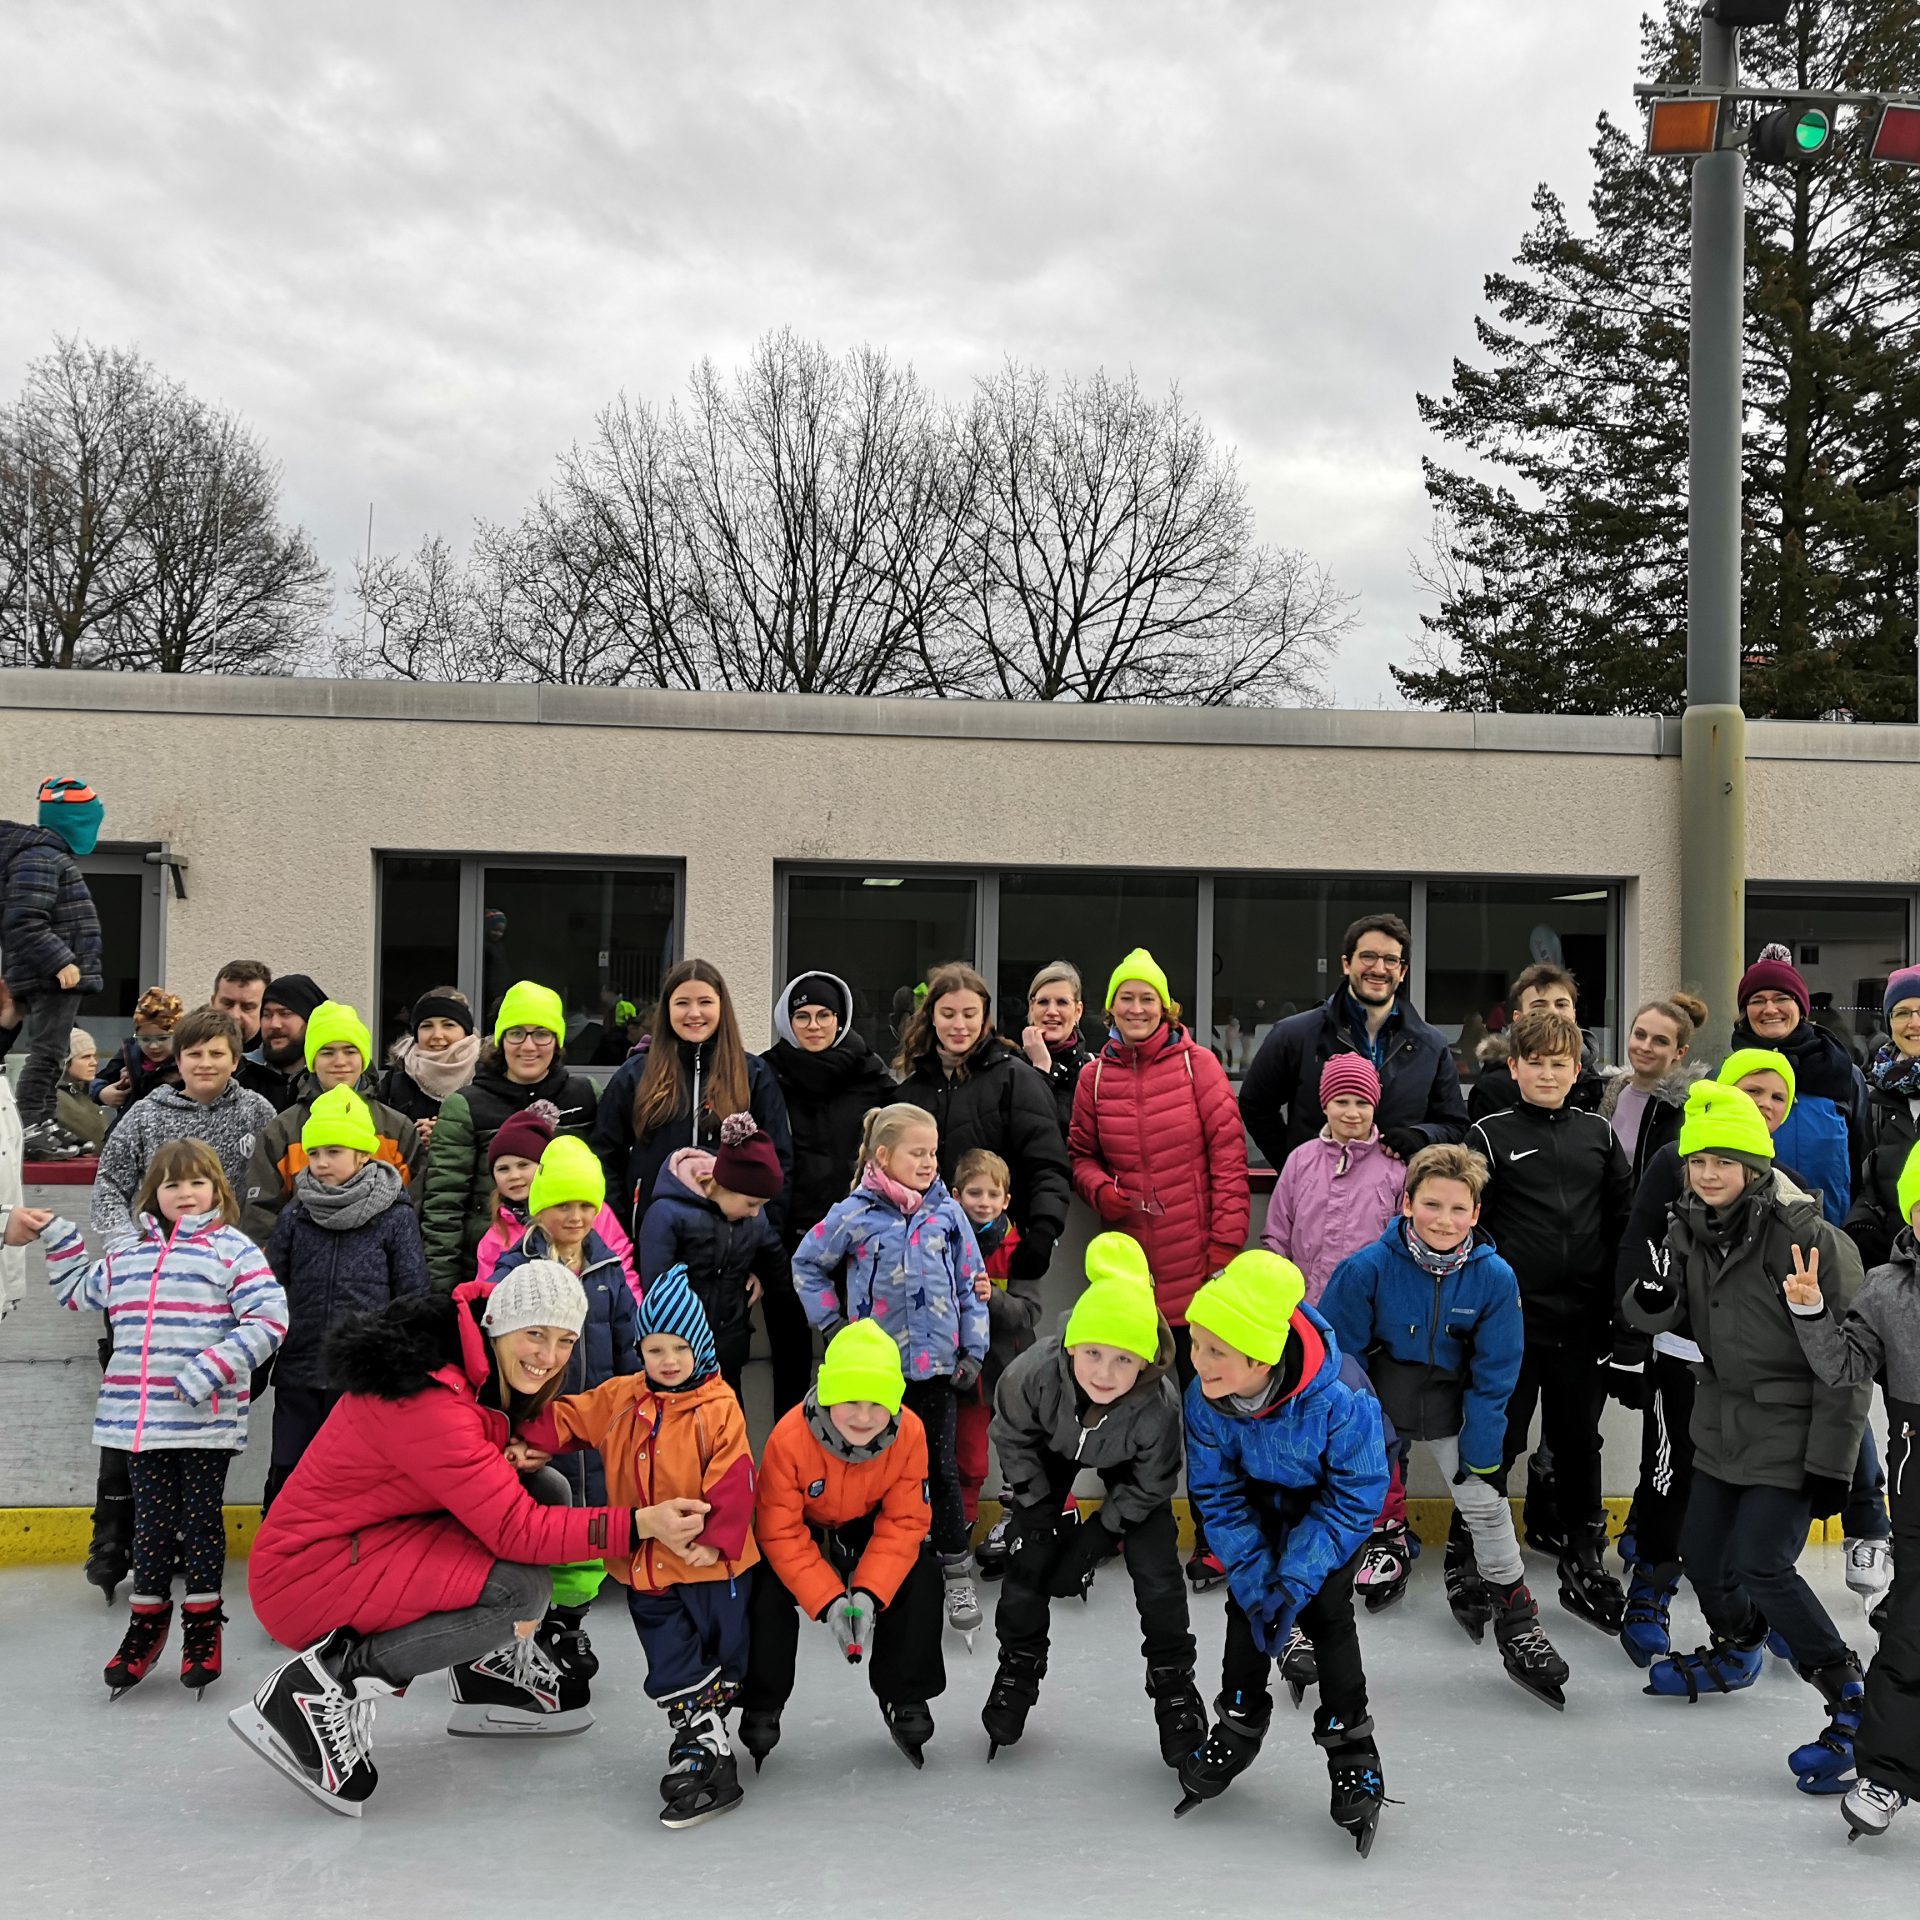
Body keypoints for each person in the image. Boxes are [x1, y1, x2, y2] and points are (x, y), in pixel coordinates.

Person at [233, 1264, 712, 1815]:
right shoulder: (428, 1400)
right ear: (499, 1326)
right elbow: (516, 1530)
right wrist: (639, 1523)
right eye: (535, 1333)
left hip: (370, 1538)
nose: (549, 1355)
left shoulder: (467, 1365)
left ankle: (487, 1674)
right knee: (519, 1592)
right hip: (307, 1575)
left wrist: (511, 1444)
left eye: (564, 1340)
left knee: (546, 1486)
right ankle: (322, 1684)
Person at [1624, 1082, 1872, 1799]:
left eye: (1724, 1161)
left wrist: (1836, 1465)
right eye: (1698, 1160)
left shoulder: (1810, 1241)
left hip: (1793, 1432)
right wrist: (1648, 1307)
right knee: (1701, 1556)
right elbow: (1679, 1313)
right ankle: (1738, 1649)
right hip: (1723, 1426)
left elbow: (1849, 1369)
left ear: (1756, 1165)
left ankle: (1849, 1697)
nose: (1707, 1174)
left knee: (1763, 1563)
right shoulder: (1690, 1227)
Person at [34, 1139, 286, 1698]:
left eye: (197, 1183)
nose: (186, 1193)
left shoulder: (233, 1251)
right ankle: (146, 1626)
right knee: (149, 1528)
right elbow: (78, 1292)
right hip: (138, 1424)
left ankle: (202, 1627)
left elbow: (269, 1318)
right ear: (155, 1196)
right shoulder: (128, 1255)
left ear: (217, 1190)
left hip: (202, 1420)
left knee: (199, 1524)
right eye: (173, 1185)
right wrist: (57, 1235)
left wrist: (209, 1371)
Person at [1320, 1145, 1570, 1706]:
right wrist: (1356, 1440)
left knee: (1485, 1503)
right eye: (1431, 1205)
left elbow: (1496, 1372)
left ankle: (1517, 1617)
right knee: (1332, 1506)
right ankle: (1306, 1617)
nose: (1444, 1220)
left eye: (1459, 1209)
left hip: (1453, 1409)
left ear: (1476, 1214)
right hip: (1376, 1404)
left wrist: (1483, 1456)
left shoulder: (1495, 1278)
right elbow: (1341, 1364)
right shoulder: (1365, 1269)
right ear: (1407, 1203)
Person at [515, 1263, 760, 1829]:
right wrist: (523, 1438)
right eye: (653, 1349)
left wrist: (718, 1543)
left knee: (726, 1655)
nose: (667, 1361)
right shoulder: (623, 1397)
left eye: (678, 1347)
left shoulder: (718, 1407)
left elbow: (736, 1477)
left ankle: (713, 1723)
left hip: (711, 1568)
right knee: (670, 1657)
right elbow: (568, 1418)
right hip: (645, 1568)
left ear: (698, 1346)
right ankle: (698, 1743)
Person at [1172, 1251, 1392, 1855]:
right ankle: (1239, 1719)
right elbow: (1215, 1492)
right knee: (1246, 1605)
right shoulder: (1205, 1397)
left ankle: (1352, 1744)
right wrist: (1252, 1569)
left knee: (1324, 1610)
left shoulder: (1341, 1397)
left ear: (1262, 1356)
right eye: (1196, 1343)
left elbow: (1357, 1495)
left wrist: (1295, 1577)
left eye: (1216, 1351)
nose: (1199, 1362)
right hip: (1256, 1508)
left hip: (1330, 1512)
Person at [1613, 1048, 1825, 1666]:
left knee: (1739, 1483)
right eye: (1749, 1092)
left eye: (1775, 1097)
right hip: (1682, 1356)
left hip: (1751, 1373)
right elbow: (1640, 1246)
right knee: (1671, 1470)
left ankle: (1756, 1600)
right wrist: (1633, 1334)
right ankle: (1652, 1580)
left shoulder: (1776, 1181)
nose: (1763, 1105)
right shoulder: (1677, 1162)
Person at [981, 1233, 1204, 1767]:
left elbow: (1153, 1480)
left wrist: (1097, 1537)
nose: (1105, 1373)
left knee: (1157, 1573)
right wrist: (1036, 1511)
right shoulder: (1032, 1375)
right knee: (1025, 1561)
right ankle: (1019, 1662)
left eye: (1124, 1361)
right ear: (1072, 1347)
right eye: (1094, 1354)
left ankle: (1174, 1682)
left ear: (1145, 1365)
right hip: (1050, 1447)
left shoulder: (1158, 1406)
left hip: (1129, 1460)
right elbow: (1012, 1435)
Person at [1069, 946, 1249, 1590]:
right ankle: (1125, 1525)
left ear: (1165, 1005)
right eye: (1126, 997)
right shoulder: (1094, 1079)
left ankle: (1215, 1537)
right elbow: (1081, 1155)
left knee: (1208, 1419)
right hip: (1128, 1276)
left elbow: (1229, 1164)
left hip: (1198, 1265)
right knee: (1126, 1411)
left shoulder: (1200, 1068)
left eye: (1148, 997)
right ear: (1111, 1007)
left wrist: (1224, 1253)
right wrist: (1103, 1193)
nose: (1136, 1008)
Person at [84, 1006, 277, 1599]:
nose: (205, 1063)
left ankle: (193, 1546)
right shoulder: (145, 1115)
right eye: (194, 1053)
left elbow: (273, 1190)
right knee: (137, 1421)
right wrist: (130, 1249)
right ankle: (117, 1536)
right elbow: (112, 1185)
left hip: (219, 1297)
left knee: (202, 1424)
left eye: (217, 1052)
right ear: (178, 1058)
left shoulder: (258, 1113)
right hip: (149, 1298)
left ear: (235, 1057)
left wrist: (245, 1258)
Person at [794, 1102, 989, 1643]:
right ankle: (864, 1568)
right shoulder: (854, 1215)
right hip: (873, 1380)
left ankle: (954, 1570)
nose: (929, 1163)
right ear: (884, 1156)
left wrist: (972, 1350)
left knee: (940, 1471)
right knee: (867, 1471)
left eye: (933, 1153)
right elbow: (807, 1264)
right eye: (916, 1153)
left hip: (937, 1375)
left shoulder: (947, 1216)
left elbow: (973, 1284)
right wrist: (834, 1328)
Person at [1467, 1005, 1631, 1634]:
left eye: (1558, 1064)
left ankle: (1586, 1548)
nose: (1545, 1073)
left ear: (1576, 1069)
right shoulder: (1489, 1133)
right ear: (1513, 1068)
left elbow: (1622, 1220)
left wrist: (1620, 1308)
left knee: (1577, 1440)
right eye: (1533, 1062)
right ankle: (1480, 1547)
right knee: (1500, 1439)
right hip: (1512, 1323)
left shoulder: (1598, 1133)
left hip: (1583, 1320)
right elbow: (1472, 1226)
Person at [1784, 1140, 1920, 1840]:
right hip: (1918, 1473)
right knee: (1910, 1633)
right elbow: (1843, 1368)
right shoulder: (1889, 1290)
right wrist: (1811, 1313)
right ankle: (1888, 1773)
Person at [737, 1320, 944, 1773]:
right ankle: (762, 1700)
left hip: (869, 1521)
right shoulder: (789, 1438)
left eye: (877, 1403)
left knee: (921, 1574)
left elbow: (906, 1520)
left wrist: (868, 1592)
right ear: (828, 1395)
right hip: (804, 1524)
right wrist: (830, 1600)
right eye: (851, 1400)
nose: (864, 1416)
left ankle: (903, 1692)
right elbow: (778, 1531)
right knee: (764, 1587)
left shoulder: (908, 1434)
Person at [262, 1086, 429, 1509]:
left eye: (333, 1152)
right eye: (314, 1152)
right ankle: (281, 1557)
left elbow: (412, 1296)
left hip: (362, 1374)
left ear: (362, 1155)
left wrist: (402, 1364)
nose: (320, 1163)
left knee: (356, 1473)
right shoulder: (296, 1215)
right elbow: (270, 1288)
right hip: (300, 1367)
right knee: (289, 1468)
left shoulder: (395, 1216)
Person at [893, 960, 1070, 1302]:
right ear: (932, 1016)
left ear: (984, 1017)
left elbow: (1047, 1163)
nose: (959, 1025)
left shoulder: (1016, 1079)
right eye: (948, 1014)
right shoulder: (909, 1094)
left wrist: (1044, 1230)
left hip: (1001, 1252)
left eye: (969, 1014)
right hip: (923, 1256)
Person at [1239, 912, 1469, 1171]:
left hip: (1396, 1199)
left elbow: (1455, 1126)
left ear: (1403, 971)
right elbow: (1255, 1105)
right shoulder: (1295, 1034)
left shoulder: (1431, 1045)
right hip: (1317, 1202)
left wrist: (1421, 1136)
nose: (1379, 969)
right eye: (1368, 956)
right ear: (1347, 964)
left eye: (1391, 960)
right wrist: (1296, 1168)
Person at [763, 970, 896, 1415]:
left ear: (841, 1020)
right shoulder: (767, 1073)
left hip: (857, 1244)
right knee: (789, 1360)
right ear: (788, 1020)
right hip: (786, 1240)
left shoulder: (870, 1074)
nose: (814, 1025)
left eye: (825, 1015)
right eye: (802, 1016)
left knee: (856, 1357)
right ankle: (791, 1459)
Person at [492, 1135, 643, 1517]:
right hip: (539, 1425)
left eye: (585, 1205)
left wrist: (634, 1413)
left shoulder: (609, 1271)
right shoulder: (516, 1269)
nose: (575, 1217)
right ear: (540, 1208)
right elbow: (494, 1355)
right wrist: (514, 1431)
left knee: (598, 1515)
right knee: (547, 1517)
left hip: (598, 1426)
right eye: (562, 1205)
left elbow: (629, 1350)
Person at [591, 958, 792, 1238]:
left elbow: (778, 1164)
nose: (694, 1013)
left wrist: (762, 1251)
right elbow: (604, 1157)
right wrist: (621, 1234)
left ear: (722, 1006)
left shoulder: (753, 1074)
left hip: (732, 1247)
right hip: (650, 1243)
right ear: (667, 1009)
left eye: (705, 1002)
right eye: (682, 1002)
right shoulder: (635, 1074)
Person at [421, 980, 599, 1290]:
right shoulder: (467, 1105)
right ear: (501, 1040)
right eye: (516, 1033)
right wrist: (442, 1290)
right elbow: (444, 1206)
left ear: (557, 1041)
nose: (528, 1046)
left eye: (541, 1033)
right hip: (490, 1271)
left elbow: (605, 1187)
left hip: (574, 1267)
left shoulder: (585, 1096)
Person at [240, 1002, 424, 1244]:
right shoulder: (282, 1130)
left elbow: (414, 1206)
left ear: (364, 1058)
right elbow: (261, 1213)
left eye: (350, 1051)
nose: (340, 1061)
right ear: (312, 1061)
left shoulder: (397, 1128)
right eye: (327, 1052)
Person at [638, 1112, 790, 1396]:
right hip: (680, 1350)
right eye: (751, 1203)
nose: (756, 1212)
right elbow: (656, 1284)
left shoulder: (751, 1217)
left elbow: (774, 1256)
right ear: (728, 1186)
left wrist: (764, 1278)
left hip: (729, 1344)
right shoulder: (668, 1214)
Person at [0, 774, 104, 1160]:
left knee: (54, 1052)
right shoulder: (41, 857)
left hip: (51, 976)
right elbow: (24, 919)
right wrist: (60, 959)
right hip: (51, 976)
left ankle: (41, 1123)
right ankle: (31, 1124)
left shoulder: (46, 856)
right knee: (47, 1053)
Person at [951, 1146, 1042, 1574]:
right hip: (967, 1375)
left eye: (992, 1195)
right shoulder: (944, 1239)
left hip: (1010, 1373)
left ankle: (1022, 1520)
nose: (983, 1202)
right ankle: (959, 1526)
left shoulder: (1017, 1244)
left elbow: (1030, 1312)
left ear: (1006, 1200)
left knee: (1019, 1452)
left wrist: (995, 1298)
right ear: (955, 1196)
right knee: (967, 1457)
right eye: (974, 1193)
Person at [1731, 950, 1868, 1227]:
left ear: (1802, 1007)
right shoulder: (1725, 1077)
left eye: (1782, 998)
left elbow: (1864, 1160)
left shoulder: (1843, 1075)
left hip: (1831, 1233)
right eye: (1757, 1000)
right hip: (1748, 1241)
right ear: (1746, 1013)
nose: (1770, 1009)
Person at [1262, 1055, 1406, 1305]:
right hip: (1305, 1306)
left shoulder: (1394, 1166)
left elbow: (1402, 1245)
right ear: (1325, 1105)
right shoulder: (1300, 1160)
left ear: (1374, 1107)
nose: (1352, 1113)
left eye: (1362, 1103)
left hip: (1368, 1310)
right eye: (1341, 1101)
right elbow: (1277, 1237)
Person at [472, 1103, 636, 1285]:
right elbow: (487, 1293)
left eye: (523, 1165)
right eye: (503, 1169)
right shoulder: (495, 1236)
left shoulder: (591, 1209)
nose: (514, 1176)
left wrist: (633, 1311)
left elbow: (621, 1266)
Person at [1847, 965, 1920, 1273]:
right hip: (1894, 1261)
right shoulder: (1874, 1095)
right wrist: (1861, 1225)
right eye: (1902, 1012)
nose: (1914, 1023)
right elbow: (1863, 1179)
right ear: (1889, 1023)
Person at [1468, 963, 1608, 1119]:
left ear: (1574, 1014)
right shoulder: (1495, 1089)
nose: (1552, 1012)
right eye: (1539, 1006)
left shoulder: (1592, 1078)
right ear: (1518, 1018)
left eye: (1561, 1004)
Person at [1598, 993, 1707, 1187]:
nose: (1645, 1047)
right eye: (1640, 1035)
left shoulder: (1690, 1109)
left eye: (1660, 1041)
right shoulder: (1603, 1093)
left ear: (1680, 1052)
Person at [375, 987, 480, 1145]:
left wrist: (451, 1136)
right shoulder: (397, 1078)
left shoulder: (488, 1074)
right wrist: (413, 1138)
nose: (437, 1035)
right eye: (427, 1026)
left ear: (466, 1031)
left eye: (448, 1025)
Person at [1019, 959, 1095, 1137]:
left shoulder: (1095, 1070)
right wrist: (1041, 1067)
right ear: (1032, 1007)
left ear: (1078, 1011)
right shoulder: (1009, 1068)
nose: (1052, 1011)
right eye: (1043, 1002)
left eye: (1062, 1002)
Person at [93, 987, 185, 1121]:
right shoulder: (130, 1053)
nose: (153, 1046)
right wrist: (101, 1093)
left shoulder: (186, 1060)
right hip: (129, 1126)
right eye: (145, 1039)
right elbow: (98, 1080)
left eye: (162, 1038)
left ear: (178, 1035)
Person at [211, 960, 287, 1109]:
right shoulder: (186, 1054)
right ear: (213, 1002)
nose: (235, 1015)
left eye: (247, 1007)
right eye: (227, 1003)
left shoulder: (280, 1064)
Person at [250, 974, 330, 1115]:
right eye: (267, 1015)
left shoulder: (332, 1076)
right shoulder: (241, 1074)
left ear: (310, 1021)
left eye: (285, 1014)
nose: (275, 1024)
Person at [58, 1027, 108, 1152]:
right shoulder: (55, 1098)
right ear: (65, 1061)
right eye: (85, 1057)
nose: (94, 1063)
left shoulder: (86, 1094)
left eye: (94, 1056)